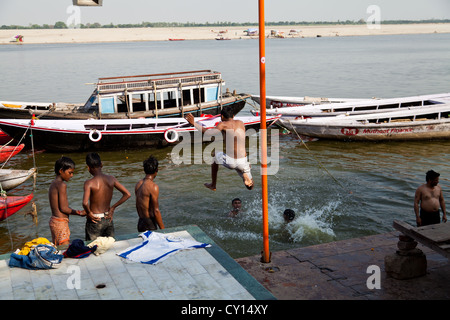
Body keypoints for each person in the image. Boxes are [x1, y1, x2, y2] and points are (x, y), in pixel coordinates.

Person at [185, 106, 254, 191]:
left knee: (215, 154)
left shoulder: (223, 124)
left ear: (221, 117)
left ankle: (213, 184)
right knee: (250, 186)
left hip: (230, 161)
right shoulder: (240, 123)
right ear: (233, 116)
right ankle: (245, 176)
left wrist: (194, 123)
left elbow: (209, 133)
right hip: (243, 161)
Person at [83, 152, 131, 241]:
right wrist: (113, 207)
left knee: (92, 246)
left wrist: (89, 213)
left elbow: (85, 203)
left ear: (88, 167)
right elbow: (127, 194)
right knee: (110, 245)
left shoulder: (89, 183)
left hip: (95, 220)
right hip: (108, 218)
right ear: (101, 165)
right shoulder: (111, 179)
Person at [48, 156, 85, 247]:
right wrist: (80, 213)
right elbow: (64, 208)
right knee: (64, 249)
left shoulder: (53, 184)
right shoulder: (61, 185)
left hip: (54, 221)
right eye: (70, 173)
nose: (71, 175)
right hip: (60, 223)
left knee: (58, 248)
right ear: (61, 171)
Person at [135, 155, 165, 231]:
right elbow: (156, 211)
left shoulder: (138, 184)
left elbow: (138, 206)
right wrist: (164, 230)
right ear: (157, 170)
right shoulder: (153, 187)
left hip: (140, 222)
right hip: (149, 224)